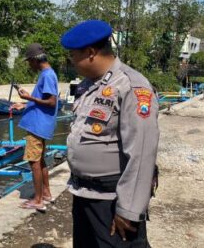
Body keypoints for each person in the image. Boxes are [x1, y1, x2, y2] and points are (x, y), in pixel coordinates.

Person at [61, 20, 159, 247]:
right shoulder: (87, 86)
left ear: (91, 53)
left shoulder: (131, 86)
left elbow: (142, 152)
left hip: (112, 200)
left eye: (73, 55)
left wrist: (129, 209)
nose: (72, 61)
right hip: (84, 194)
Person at [11, 43, 59, 211]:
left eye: (29, 62)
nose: (29, 65)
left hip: (37, 127)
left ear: (34, 60)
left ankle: (38, 200)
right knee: (40, 160)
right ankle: (45, 194)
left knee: (34, 162)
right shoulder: (48, 74)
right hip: (41, 124)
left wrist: (29, 98)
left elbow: (51, 102)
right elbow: (43, 101)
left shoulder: (47, 75)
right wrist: (25, 104)